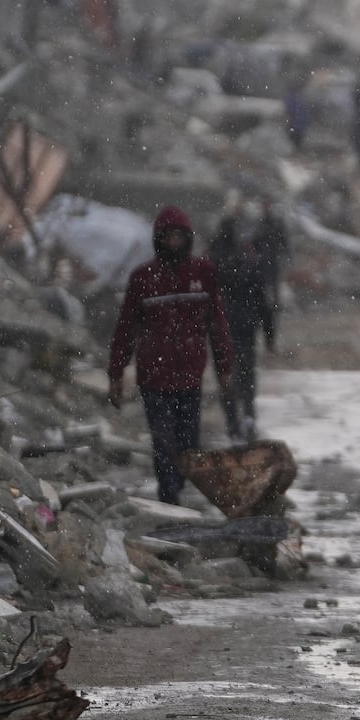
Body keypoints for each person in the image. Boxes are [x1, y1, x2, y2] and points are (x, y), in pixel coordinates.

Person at [107, 207, 235, 506]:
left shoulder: (203, 274)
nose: (174, 242)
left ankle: (176, 486)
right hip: (154, 378)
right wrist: (116, 374)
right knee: (163, 442)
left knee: (189, 444)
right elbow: (125, 329)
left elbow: (217, 324)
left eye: (179, 236)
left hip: (190, 375)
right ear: (158, 239)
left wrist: (225, 367)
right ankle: (169, 498)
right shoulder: (143, 279)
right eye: (168, 237)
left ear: (187, 239)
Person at [207, 213, 272, 442]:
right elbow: (263, 301)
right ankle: (248, 417)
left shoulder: (211, 264)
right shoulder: (248, 260)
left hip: (221, 329)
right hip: (245, 328)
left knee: (226, 375)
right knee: (246, 375)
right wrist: (269, 333)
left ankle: (233, 424)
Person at [251, 197, 290, 350]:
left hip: (271, 270)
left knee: (271, 306)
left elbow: (283, 244)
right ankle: (265, 340)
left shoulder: (275, 223)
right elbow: (252, 244)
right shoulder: (259, 224)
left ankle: (270, 341)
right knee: (261, 305)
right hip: (259, 272)